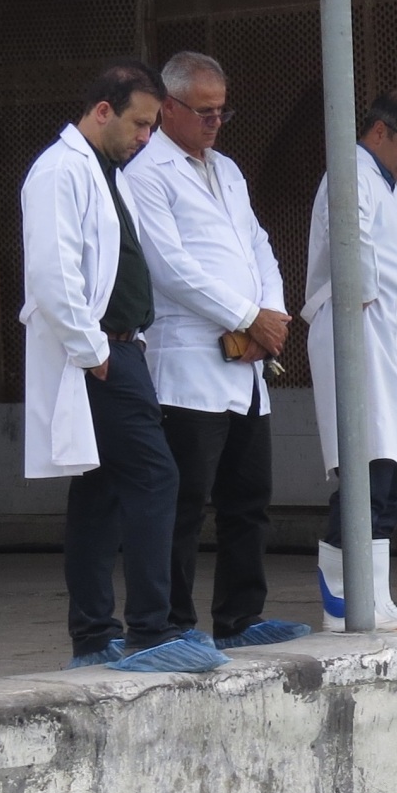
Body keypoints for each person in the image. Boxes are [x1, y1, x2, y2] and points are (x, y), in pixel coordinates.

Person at [20, 59, 225, 674]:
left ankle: (92, 636)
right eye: (139, 124)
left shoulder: (105, 171)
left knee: (101, 487)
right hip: (100, 351)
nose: (145, 137)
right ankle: (151, 631)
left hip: (120, 347)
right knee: (155, 478)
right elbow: (53, 273)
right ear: (102, 110)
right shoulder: (60, 170)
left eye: (151, 126)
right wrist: (96, 353)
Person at [124, 51, 310, 650]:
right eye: (204, 111)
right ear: (168, 107)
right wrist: (247, 317)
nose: (214, 122)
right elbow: (169, 267)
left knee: (248, 499)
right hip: (187, 360)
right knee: (182, 502)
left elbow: (259, 246)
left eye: (222, 111)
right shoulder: (146, 172)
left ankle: (240, 618)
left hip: (246, 361)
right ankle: (172, 623)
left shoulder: (227, 169)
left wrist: (271, 315)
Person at [304, 89, 397, 631]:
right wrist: (379, 311)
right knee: (365, 481)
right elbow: (355, 258)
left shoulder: (379, 180)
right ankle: (346, 601)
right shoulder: (351, 174)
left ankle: (372, 599)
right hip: (368, 350)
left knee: (384, 484)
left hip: (389, 354)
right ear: (377, 132)